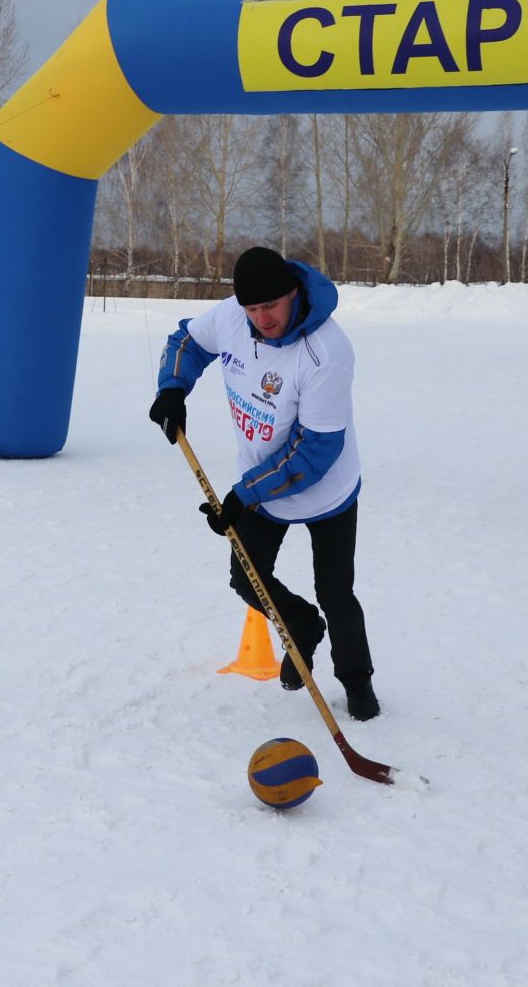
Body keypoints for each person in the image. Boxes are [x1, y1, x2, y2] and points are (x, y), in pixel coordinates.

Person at [149, 246, 379, 721]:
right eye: (252, 308)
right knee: (246, 577)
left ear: (293, 293)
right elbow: (187, 340)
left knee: (336, 593)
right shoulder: (233, 318)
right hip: (264, 488)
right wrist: (172, 388)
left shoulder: (325, 353)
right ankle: (300, 629)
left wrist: (243, 495)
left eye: (270, 306)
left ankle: (357, 682)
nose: (262, 319)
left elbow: (314, 453)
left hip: (326, 491)